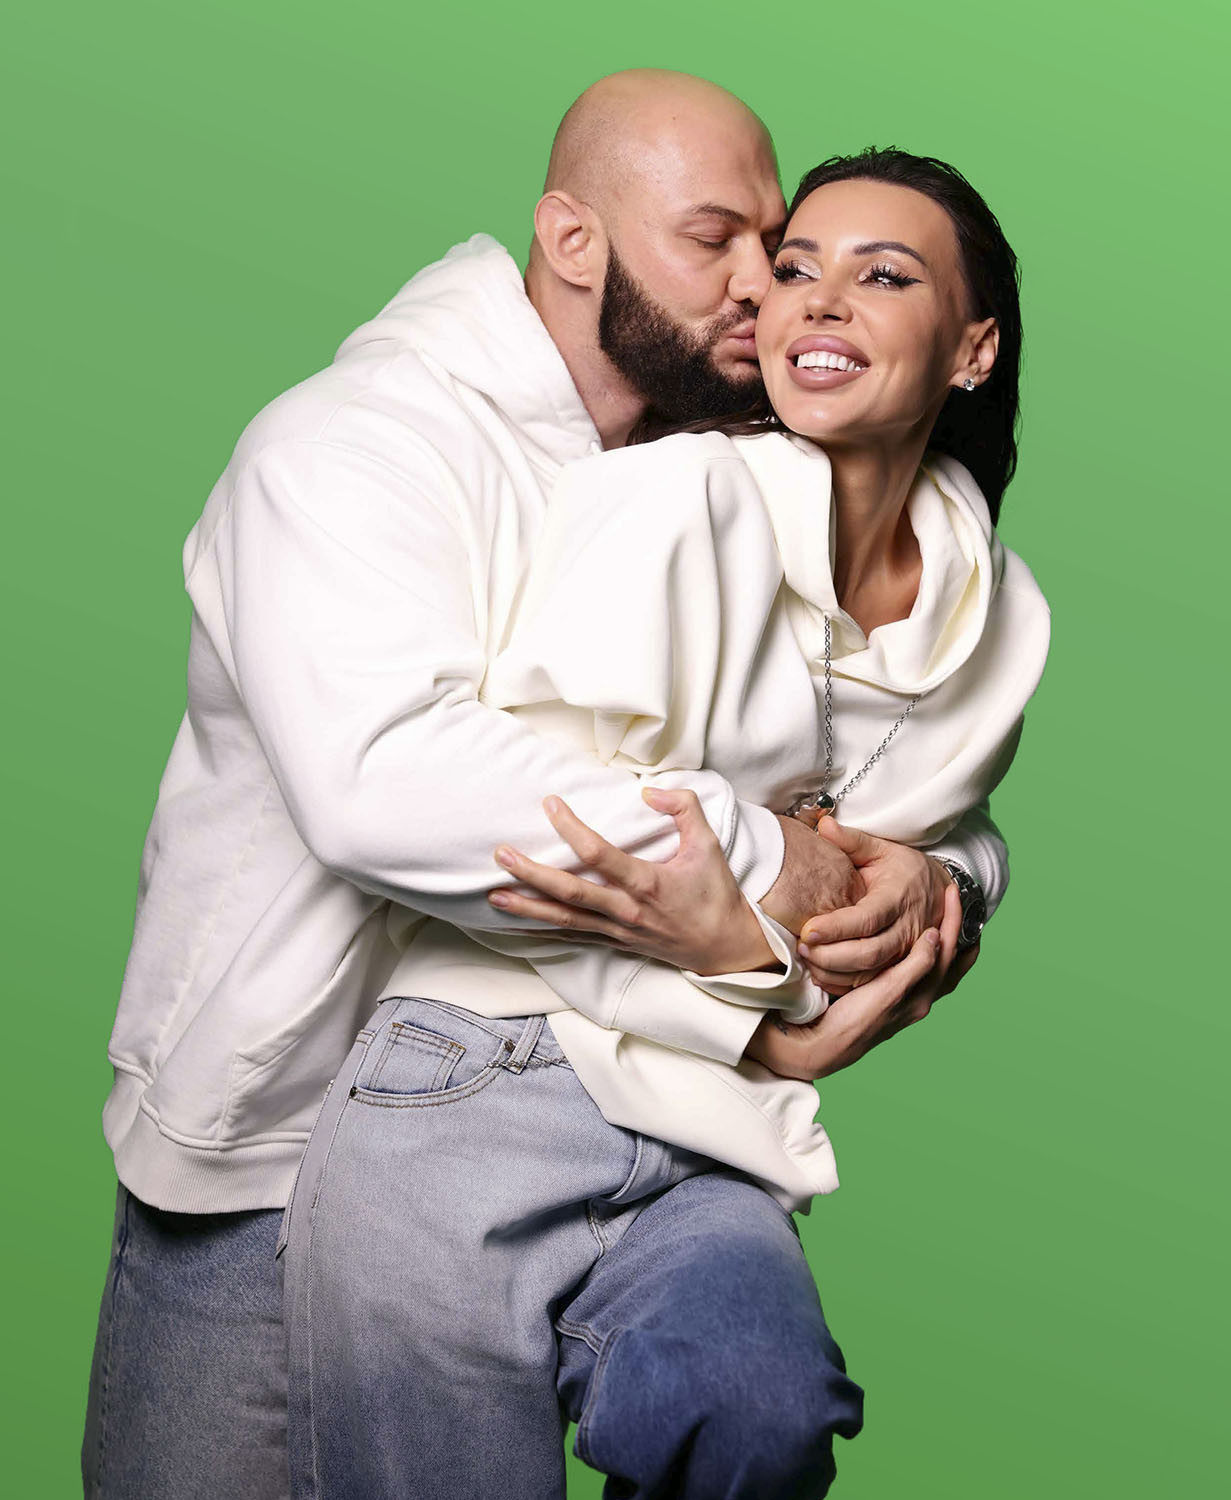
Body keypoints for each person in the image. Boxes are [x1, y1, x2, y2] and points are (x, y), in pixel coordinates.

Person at [82, 72, 999, 1500]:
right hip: (278, 1139)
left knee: (752, 1407)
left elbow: (879, 725)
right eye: (714, 240)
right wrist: (774, 872)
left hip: (639, 1098)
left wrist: (944, 883)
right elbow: (389, 783)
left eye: (772, 243)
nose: (762, 285)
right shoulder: (354, 446)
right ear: (574, 242)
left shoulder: (730, 460)